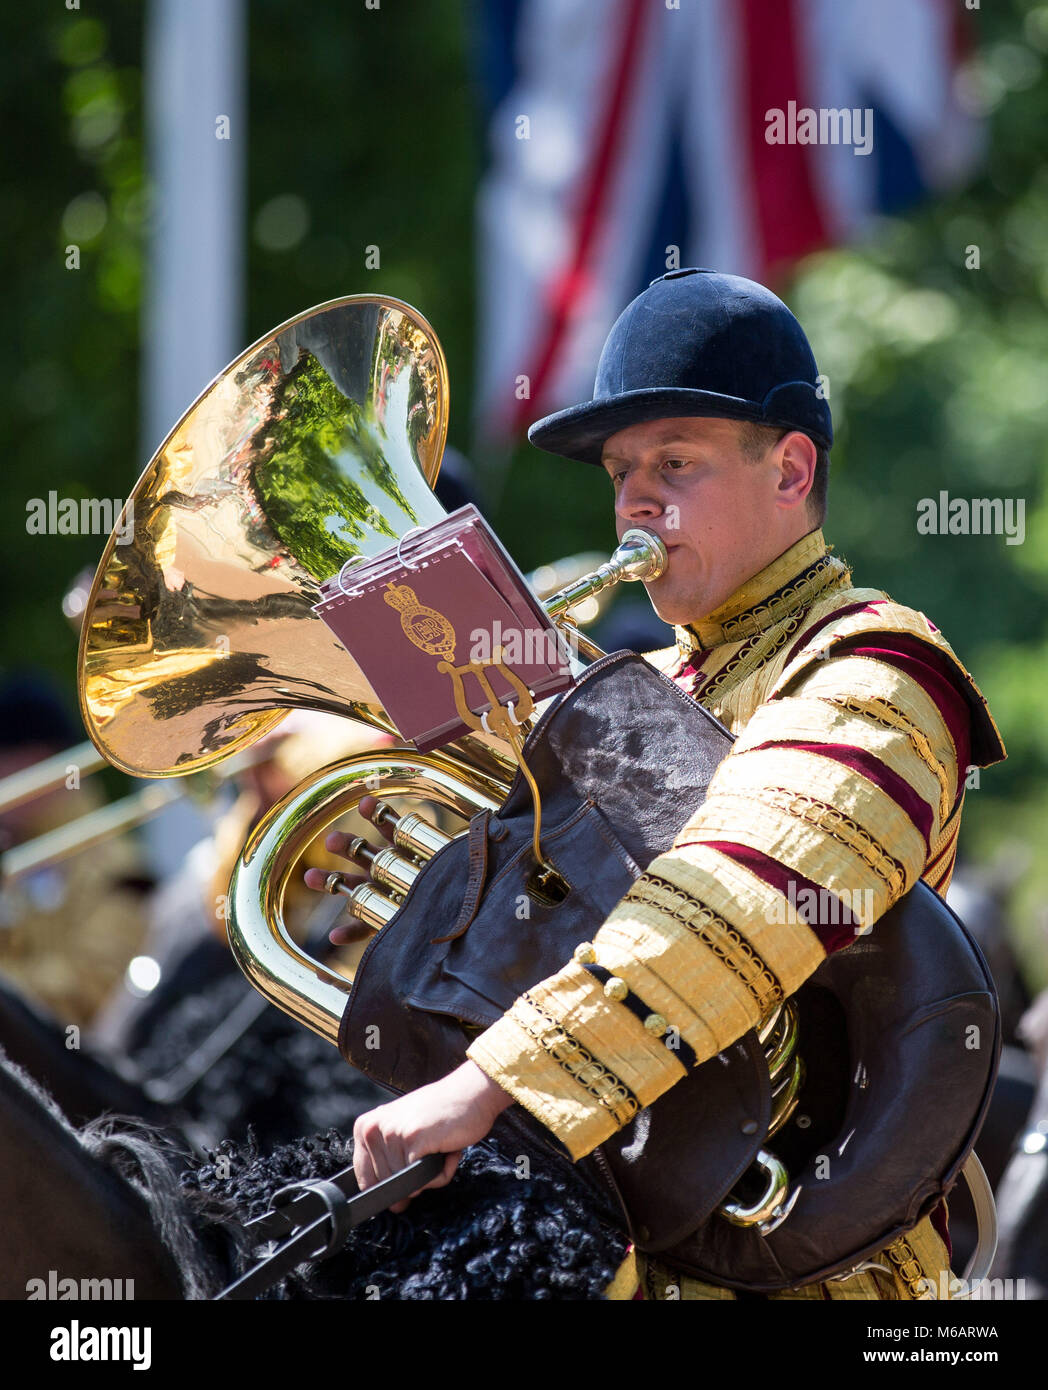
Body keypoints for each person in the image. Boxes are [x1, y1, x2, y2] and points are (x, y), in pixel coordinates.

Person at [310, 268, 1006, 1299]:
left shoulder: (874, 670)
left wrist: (487, 1081)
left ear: (789, 470)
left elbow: (737, 897)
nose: (635, 496)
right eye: (621, 469)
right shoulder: (655, 681)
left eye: (675, 462)